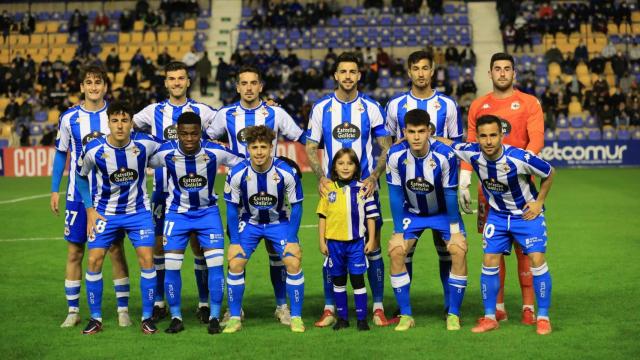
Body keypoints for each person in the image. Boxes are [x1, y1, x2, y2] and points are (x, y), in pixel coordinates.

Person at [437, 114, 554, 335]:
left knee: (537, 260)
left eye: (493, 135)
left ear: (502, 135)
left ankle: (543, 317)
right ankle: (490, 317)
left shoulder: (519, 158)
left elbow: (549, 172)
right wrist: (418, 137)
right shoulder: (471, 152)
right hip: (498, 216)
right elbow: (448, 144)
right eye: (483, 136)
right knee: (489, 261)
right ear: (477, 138)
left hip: (525, 216)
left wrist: (539, 203)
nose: (489, 141)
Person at [206, 64, 305, 326]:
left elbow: (301, 137)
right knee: (237, 257)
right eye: (244, 83)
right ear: (237, 87)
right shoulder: (225, 114)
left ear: (260, 86)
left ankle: (283, 307)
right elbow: (206, 138)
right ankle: (235, 311)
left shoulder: (275, 113)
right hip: (241, 201)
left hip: (273, 198)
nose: (249, 88)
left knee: (279, 257)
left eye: (253, 83)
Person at [306, 52, 392, 327]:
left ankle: (377, 307)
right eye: (342, 72)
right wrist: (321, 177)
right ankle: (331, 308)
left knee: (373, 248)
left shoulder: (371, 107)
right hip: (333, 192)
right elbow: (310, 147)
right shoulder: (321, 108)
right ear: (335, 75)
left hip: (365, 190)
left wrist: (375, 175)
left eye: (352, 72)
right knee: (332, 249)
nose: (347, 76)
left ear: (359, 75)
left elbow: (386, 146)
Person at [461, 52, 544, 325]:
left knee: (525, 250)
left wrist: (516, 168)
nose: (502, 73)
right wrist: (465, 179)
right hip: (489, 192)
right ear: (490, 73)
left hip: (522, 190)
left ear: (514, 73)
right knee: (493, 250)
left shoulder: (529, 103)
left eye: (507, 68)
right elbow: (471, 145)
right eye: (497, 68)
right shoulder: (478, 106)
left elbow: (536, 142)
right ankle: (497, 307)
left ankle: (528, 307)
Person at [133, 61, 218, 323]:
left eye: (181, 78)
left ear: (188, 82)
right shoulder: (152, 111)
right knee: (159, 248)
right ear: (166, 83)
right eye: (172, 79)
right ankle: (160, 302)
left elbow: (230, 120)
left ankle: (204, 303)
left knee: (200, 248)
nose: (177, 83)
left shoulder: (203, 111)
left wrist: (268, 104)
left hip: (198, 194)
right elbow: (124, 126)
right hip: (163, 193)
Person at [50, 65, 131, 329]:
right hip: (76, 195)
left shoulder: (116, 115)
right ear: (82, 87)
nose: (94, 87)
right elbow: (62, 153)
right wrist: (54, 189)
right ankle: (73, 310)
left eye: (99, 82)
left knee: (116, 251)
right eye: (89, 82)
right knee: (75, 251)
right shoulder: (69, 118)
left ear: (105, 86)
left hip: (110, 197)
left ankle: (122, 311)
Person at [148, 112, 243, 334]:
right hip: (176, 215)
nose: (189, 139)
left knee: (216, 265)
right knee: (172, 266)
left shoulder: (214, 150)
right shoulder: (166, 152)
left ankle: (214, 316)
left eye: (194, 134)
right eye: (184, 134)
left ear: (200, 132)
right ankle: (176, 317)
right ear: (177, 133)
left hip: (208, 214)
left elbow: (241, 163)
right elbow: (140, 158)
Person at [385, 50, 463, 318]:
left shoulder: (448, 105)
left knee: (448, 252)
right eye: (415, 68)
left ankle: (449, 305)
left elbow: (458, 145)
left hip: (442, 191)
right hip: (410, 196)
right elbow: (390, 144)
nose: (420, 73)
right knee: (404, 252)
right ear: (409, 72)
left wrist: (461, 183)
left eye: (425, 68)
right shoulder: (395, 105)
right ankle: (402, 306)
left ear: (432, 71)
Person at [75, 100, 161, 335]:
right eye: (115, 121)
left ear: (131, 122)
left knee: (147, 259)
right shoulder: (94, 149)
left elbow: (174, 147)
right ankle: (95, 318)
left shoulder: (145, 144)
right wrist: (90, 209)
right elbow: (80, 176)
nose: (120, 126)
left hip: (138, 212)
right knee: (93, 260)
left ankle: (147, 317)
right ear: (108, 123)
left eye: (124, 120)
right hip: (106, 213)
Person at [386, 109, 467, 331]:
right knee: (396, 250)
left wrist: (454, 230)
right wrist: (398, 232)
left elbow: (451, 194)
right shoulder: (394, 155)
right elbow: (394, 194)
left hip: (443, 213)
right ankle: (406, 315)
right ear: (404, 132)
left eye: (421, 131)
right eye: (411, 132)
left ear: (429, 131)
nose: (416, 137)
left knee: (458, 249)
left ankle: (453, 314)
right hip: (412, 213)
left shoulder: (445, 155)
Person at [223, 125, 306, 333]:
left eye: (263, 147)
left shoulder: (287, 172)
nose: (259, 152)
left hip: (279, 222)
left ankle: (294, 316)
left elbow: (297, 206)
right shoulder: (236, 173)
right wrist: (234, 242)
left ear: (271, 148)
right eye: (254, 147)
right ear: (247, 148)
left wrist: (293, 238)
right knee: (235, 263)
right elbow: (232, 209)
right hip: (249, 222)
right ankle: (234, 316)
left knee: (293, 261)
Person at [316, 148, 379, 331]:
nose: (345, 167)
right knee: (338, 280)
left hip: (356, 243)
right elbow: (322, 217)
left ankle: (361, 318)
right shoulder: (328, 190)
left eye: (350, 163)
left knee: (358, 280)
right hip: (334, 244)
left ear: (356, 167)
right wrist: (322, 241)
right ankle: (342, 318)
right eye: (341, 163)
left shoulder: (363, 189)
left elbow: (371, 217)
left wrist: (371, 240)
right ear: (334, 167)